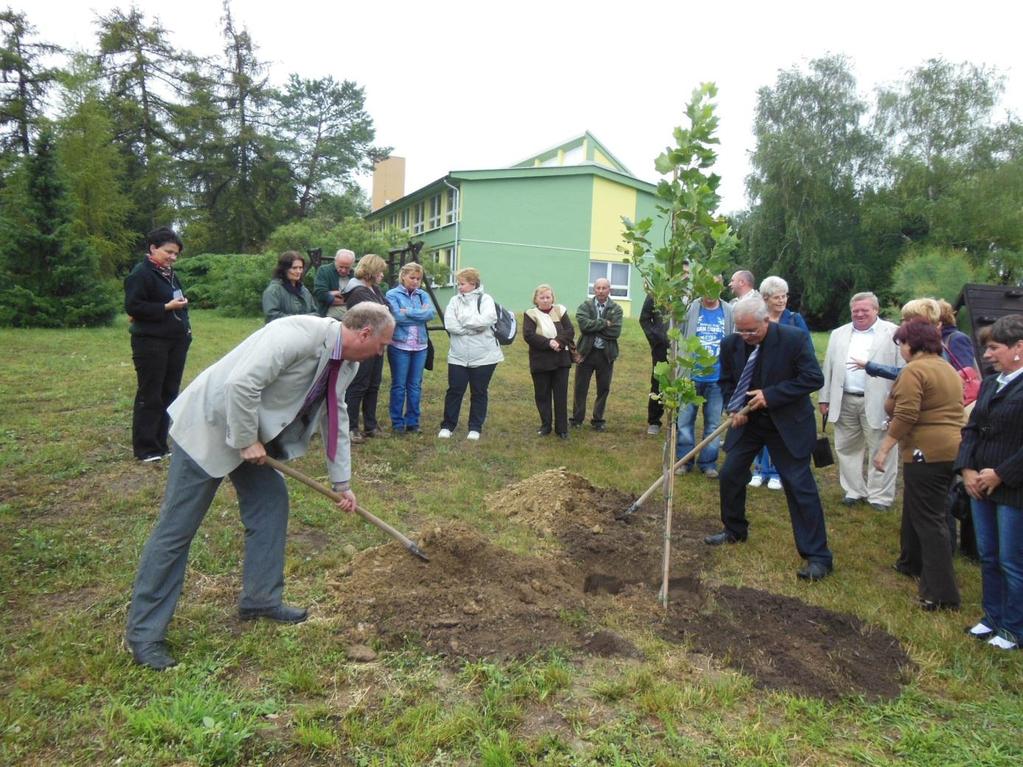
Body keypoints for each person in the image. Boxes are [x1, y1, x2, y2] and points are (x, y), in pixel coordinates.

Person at [125, 304, 396, 670]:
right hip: (212, 425)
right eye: (382, 345)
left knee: (270, 504)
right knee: (177, 530)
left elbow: (335, 414)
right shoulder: (296, 334)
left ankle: (260, 599)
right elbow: (242, 383)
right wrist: (245, 439)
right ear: (365, 334)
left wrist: (342, 481)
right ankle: (144, 635)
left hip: (254, 438)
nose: (382, 353)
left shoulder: (347, 363)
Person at [704, 296, 834, 582]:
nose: (747, 337)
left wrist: (771, 395)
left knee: (799, 485)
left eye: (752, 330)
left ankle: (817, 556)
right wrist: (734, 407)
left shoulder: (794, 339)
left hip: (786, 423)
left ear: (766, 320)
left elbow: (813, 378)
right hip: (748, 423)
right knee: (730, 474)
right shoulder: (731, 344)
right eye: (741, 330)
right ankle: (734, 530)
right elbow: (726, 382)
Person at [872, 319, 963, 611]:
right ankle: (910, 562)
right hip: (951, 449)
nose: (901, 350)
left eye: (901, 344)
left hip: (927, 451)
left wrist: (884, 448)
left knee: (930, 520)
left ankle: (940, 593)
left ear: (912, 344)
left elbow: (907, 413)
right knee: (916, 507)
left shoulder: (915, 370)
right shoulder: (947, 367)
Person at [955, 314, 1023, 650]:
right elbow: (971, 429)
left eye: (994, 348)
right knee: (989, 555)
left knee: (1013, 560)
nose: (987, 355)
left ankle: (1013, 628)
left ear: (1019, 348)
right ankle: (991, 618)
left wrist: (1000, 474)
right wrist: (966, 468)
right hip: (979, 485)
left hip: (1013, 489)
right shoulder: (991, 383)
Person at [819, 292, 902, 511]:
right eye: (855, 310)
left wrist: (898, 403)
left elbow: (902, 370)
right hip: (844, 398)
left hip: (879, 401)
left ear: (876, 310)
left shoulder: (892, 333)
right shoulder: (839, 333)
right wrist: (824, 397)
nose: (859, 314)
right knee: (846, 447)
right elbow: (828, 367)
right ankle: (854, 491)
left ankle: (880, 497)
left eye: (865, 310)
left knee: (881, 447)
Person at [124, 226, 192, 463]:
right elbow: (133, 307)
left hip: (175, 341)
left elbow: (176, 298)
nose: (172, 257)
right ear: (153, 248)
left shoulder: (169, 273)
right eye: (168, 252)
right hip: (150, 343)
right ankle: (145, 448)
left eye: (176, 254)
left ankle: (160, 443)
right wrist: (166, 307)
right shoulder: (140, 274)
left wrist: (182, 313)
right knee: (150, 393)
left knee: (169, 392)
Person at [749, 276, 810, 490]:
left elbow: (806, 350)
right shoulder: (758, 318)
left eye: (784, 296)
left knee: (779, 429)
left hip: (784, 385)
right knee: (758, 426)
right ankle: (759, 469)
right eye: (777, 297)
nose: (782, 301)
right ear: (765, 299)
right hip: (760, 382)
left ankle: (776, 472)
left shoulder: (794, 320)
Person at [438, 268, 504, 440]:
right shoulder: (454, 301)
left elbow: (488, 320)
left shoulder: (486, 299)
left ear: (473, 284)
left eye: (462, 284)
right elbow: (450, 324)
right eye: (458, 283)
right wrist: (472, 328)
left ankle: (475, 427)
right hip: (458, 356)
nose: (459, 287)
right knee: (454, 390)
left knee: (479, 391)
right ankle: (448, 425)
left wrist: (464, 320)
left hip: (485, 356)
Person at [675, 288, 733, 477]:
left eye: (713, 286)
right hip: (690, 376)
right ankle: (684, 461)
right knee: (684, 422)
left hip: (717, 378)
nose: (710, 291)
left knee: (713, 424)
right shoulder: (691, 308)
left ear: (721, 287)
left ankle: (708, 463)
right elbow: (676, 332)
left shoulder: (728, 311)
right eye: (706, 286)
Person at [341, 254, 389, 442]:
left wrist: (384, 311)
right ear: (371, 271)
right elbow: (369, 317)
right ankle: (351, 427)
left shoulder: (374, 289)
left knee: (374, 384)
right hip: (363, 344)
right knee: (359, 385)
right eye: (380, 271)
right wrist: (383, 311)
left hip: (376, 342)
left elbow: (388, 308)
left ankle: (370, 425)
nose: (382, 276)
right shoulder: (358, 291)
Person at [385, 262, 435, 434]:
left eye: (418, 278)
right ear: (403, 276)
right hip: (399, 345)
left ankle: (413, 422)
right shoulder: (392, 294)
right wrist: (418, 314)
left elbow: (431, 314)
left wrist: (409, 312)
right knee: (399, 385)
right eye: (412, 277)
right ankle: (397, 423)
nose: (415, 281)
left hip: (420, 346)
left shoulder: (423, 295)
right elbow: (397, 317)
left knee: (415, 386)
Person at [570, 277, 623, 431]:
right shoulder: (585, 306)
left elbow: (615, 332)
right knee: (580, 388)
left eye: (604, 288)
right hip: (586, 353)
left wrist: (593, 328)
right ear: (594, 289)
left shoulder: (616, 309)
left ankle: (598, 420)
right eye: (598, 288)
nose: (600, 291)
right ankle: (577, 419)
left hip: (606, 355)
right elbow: (584, 326)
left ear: (609, 290)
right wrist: (604, 323)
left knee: (603, 388)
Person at [523, 284, 575, 439]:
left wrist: (558, 342)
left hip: (561, 360)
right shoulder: (530, 314)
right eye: (542, 297)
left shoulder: (560, 310)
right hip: (541, 361)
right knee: (542, 394)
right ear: (536, 299)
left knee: (561, 395)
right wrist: (548, 343)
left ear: (552, 298)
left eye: (548, 297)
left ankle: (562, 429)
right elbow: (529, 335)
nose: (545, 300)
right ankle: (546, 426)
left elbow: (569, 331)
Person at [639, 292, 669, 436]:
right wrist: (656, 337)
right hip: (661, 347)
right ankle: (654, 421)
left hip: (682, 347)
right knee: (658, 381)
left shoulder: (690, 294)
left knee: (682, 381)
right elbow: (644, 318)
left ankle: (678, 421)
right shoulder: (657, 292)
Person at [261, 251, 317, 323]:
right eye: (294, 268)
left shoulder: (304, 291)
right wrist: (298, 320)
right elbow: (272, 316)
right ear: (284, 269)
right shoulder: (273, 290)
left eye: (300, 268)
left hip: (304, 332)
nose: (298, 271)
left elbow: (315, 313)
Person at [313, 248, 355, 319]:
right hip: (329, 316)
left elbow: (360, 296)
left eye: (347, 268)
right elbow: (320, 294)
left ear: (352, 265)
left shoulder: (355, 274)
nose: (343, 270)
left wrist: (331, 294)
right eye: (341, 267)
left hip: (352, 315)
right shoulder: (324, 271)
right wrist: (348, 299)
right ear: (335, 261)